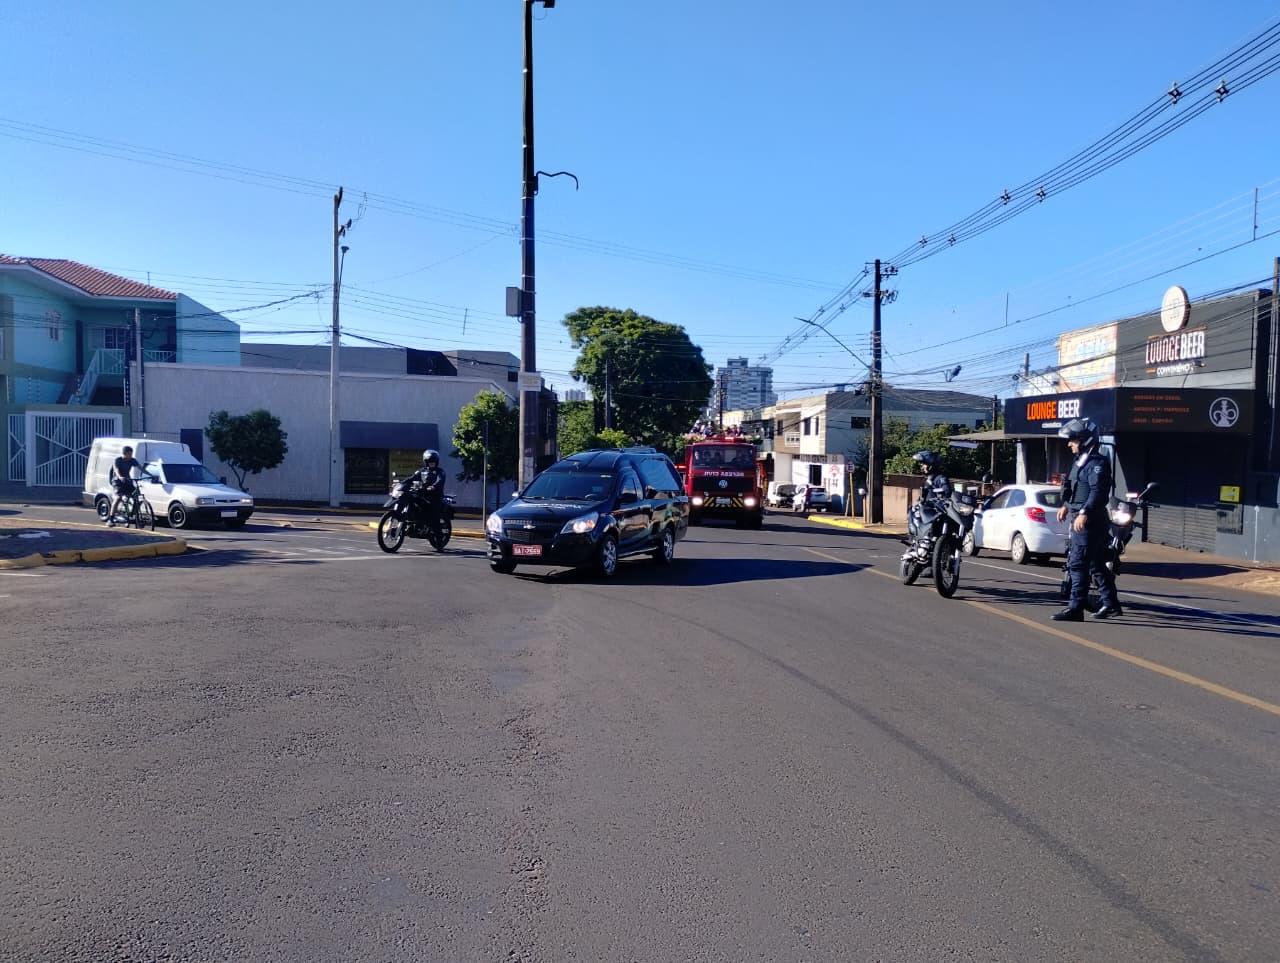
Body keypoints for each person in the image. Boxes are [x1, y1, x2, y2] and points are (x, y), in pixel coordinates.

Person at [1053, 418, 1122, 621]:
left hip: (1090, 521)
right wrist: (1066, 506)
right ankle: (1111, 604)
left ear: (1085, 440)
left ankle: (1076, 608)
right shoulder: (1080, 463)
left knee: (1077, 564)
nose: (1069, 444)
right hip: (1082, 516)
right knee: (1096, 564)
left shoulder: (1097, 464)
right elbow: (1076, 488)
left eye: (1073, 440)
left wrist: (1084, 512)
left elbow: (1098, 492)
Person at [106, 445, 154, 526]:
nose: (130, 456)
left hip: (127, 480)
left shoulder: (132, 460)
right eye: (129, 454)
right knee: (118, 498)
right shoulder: (118, 460)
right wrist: (120, 477)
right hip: (117, 481)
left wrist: (151, 475)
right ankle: (111, 519)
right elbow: (116, 469)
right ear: (124, 453)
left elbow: (141, 468)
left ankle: (135, 516)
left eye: (131, 454)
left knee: (136, 495)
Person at [405, 449, 446, 530]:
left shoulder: (440, 471)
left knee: (433, 512)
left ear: (436, 462)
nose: (432, 463)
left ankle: (437, 532)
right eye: (430, 461)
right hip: (422, 494)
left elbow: (440, 480)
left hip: (435, 496)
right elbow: (411, 478)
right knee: (411, 501)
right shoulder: (421, 471)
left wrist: (433, 486)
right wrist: (401, 483)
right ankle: (411, 521)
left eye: (433, 461)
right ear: (426, 462)